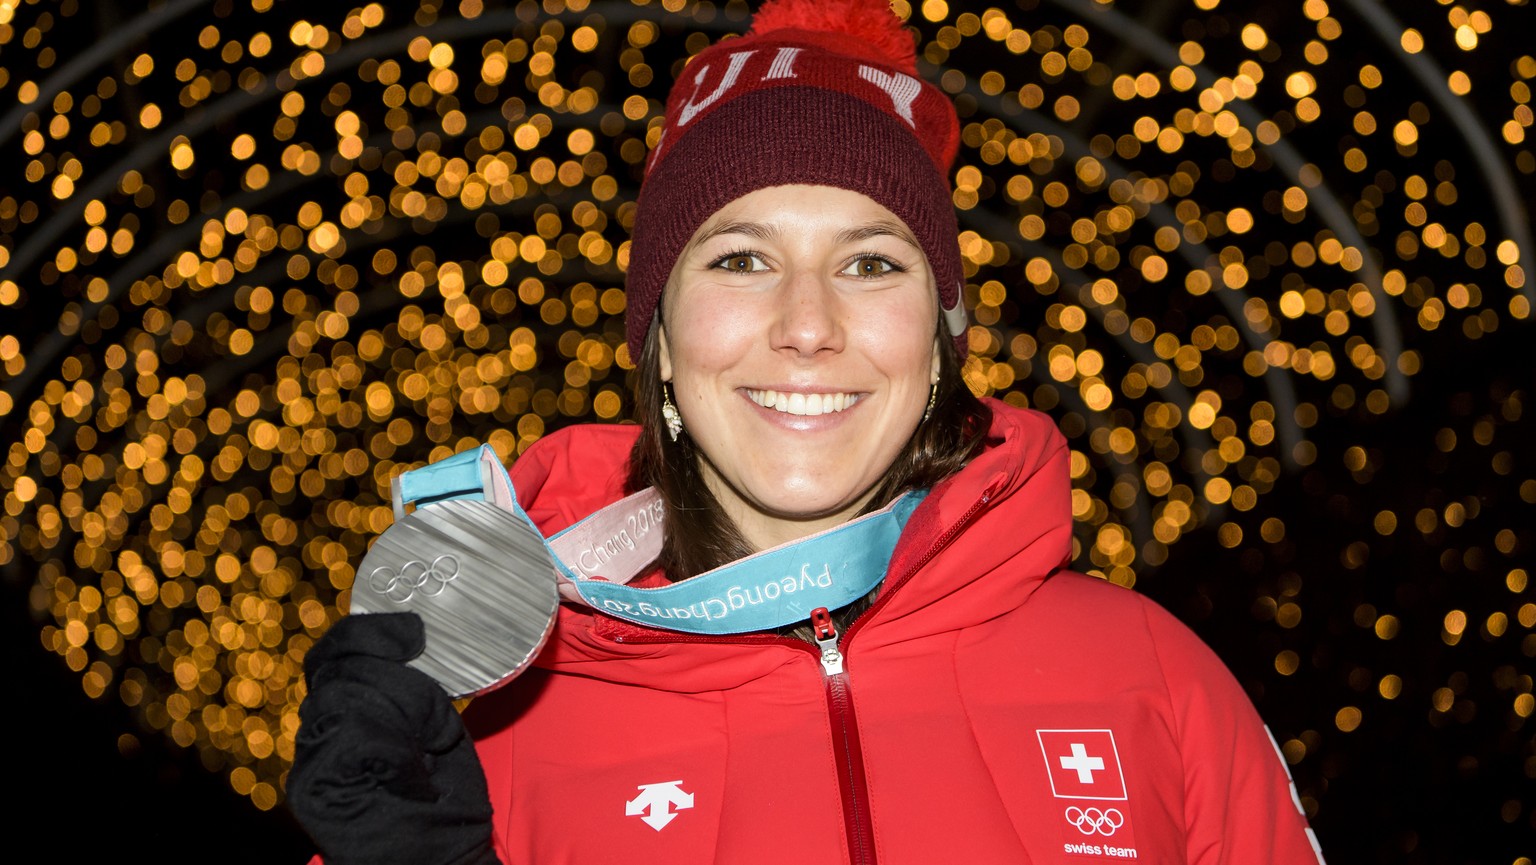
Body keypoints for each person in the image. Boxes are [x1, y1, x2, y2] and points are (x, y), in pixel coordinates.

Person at [287, 1, 1327, 863]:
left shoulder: (1150, 676)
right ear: (658, 339)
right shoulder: (503, 737)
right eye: (741, 259)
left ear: (937, 340)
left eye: (872, 262)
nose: (808, 326)